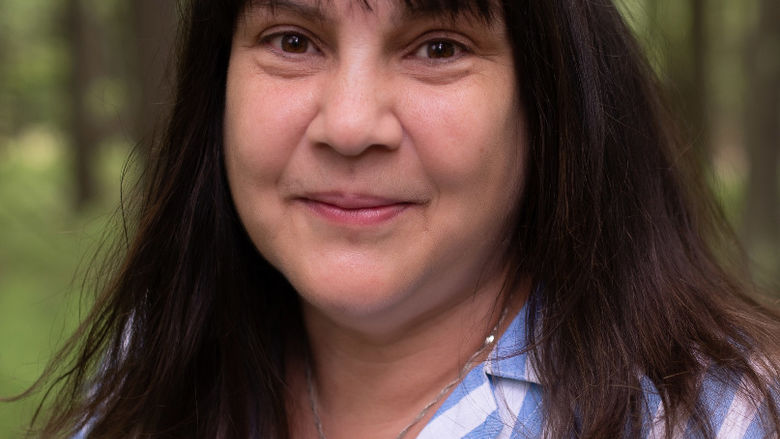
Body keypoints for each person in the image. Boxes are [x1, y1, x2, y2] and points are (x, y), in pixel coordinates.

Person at [18, 0, 780, 437]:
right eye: (293, 41)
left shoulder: (708, 421)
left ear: (548, 103)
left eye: (437, 46)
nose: (350, 125)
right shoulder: (151, 374)